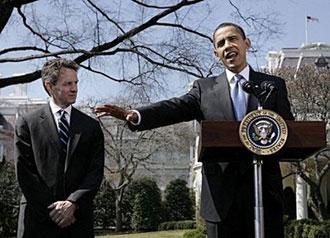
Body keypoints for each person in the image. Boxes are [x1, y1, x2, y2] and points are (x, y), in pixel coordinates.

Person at [95, 22, 294, 238]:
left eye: (233, 39)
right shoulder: (205, 89)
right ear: (216, 53)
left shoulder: (272, 85)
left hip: (264, 194)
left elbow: (289, 131)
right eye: (221, 43)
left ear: (247, 43)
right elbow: (173, 108)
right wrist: (136, 115)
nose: (228, 45)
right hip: (221, 200)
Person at [15, 58, 105, 238]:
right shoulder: (27, 123)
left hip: (77, 222)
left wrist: (72, 203)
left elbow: (95, 172)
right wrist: (55, 211)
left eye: (76, 83)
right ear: (49, 86)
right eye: (68, 83)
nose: (74, 88)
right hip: (38, 221)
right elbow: (25, 173)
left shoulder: (91, 127)